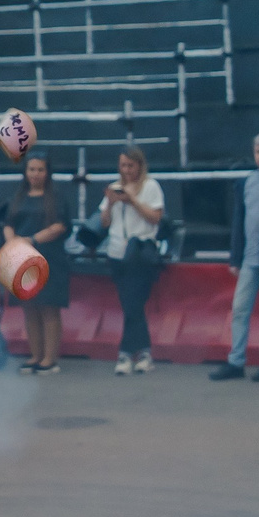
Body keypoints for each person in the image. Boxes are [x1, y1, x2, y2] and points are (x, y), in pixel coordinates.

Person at [210, 132, 259, 382]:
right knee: (240, 309)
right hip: (251, 257)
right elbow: (238, 221)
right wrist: (235, 257)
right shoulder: (246, 183)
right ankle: (236, 362)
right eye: (258, 152)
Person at [98, 145, 165, 376]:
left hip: (140, 251)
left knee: (134, 303)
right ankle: (144, 352)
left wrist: (133, 200)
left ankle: (125, 353)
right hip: (117, 252)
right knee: (130, 305)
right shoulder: (115, 187)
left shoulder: (151, 186)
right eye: (123, 166)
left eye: (130, 166)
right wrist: (110, 202)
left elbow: (155, 218)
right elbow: (104, 222)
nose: (126, 170)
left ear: (139, 165)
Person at [1, 153, 69, 373]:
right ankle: (35, 355)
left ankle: (50, 359)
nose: (35, 174)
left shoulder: (56, 198)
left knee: (49, 308)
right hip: (23, 260)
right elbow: (8, 223)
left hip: (50, 258)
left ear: (47, 173)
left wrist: (31, 240)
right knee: (29, 308)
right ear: (25, 172)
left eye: (40, 170)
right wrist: (12, 242)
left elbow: (60, 226)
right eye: (32, 169)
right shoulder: (18, 197)